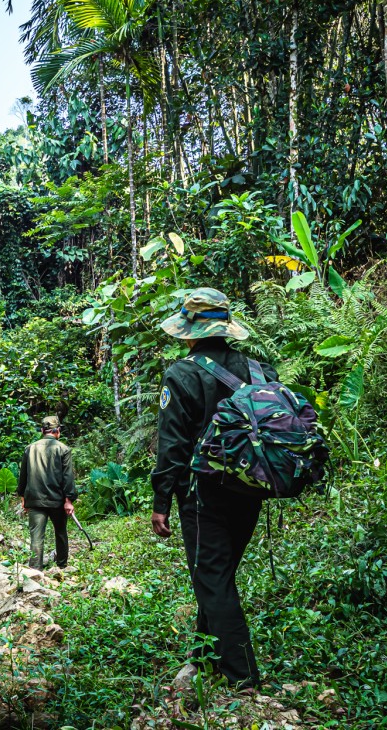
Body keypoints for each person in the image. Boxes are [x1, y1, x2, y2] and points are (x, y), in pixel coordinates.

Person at [150, 288, 278, 691]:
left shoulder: (182, 374)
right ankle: (203, 657)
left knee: (213, 578)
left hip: (203, 495)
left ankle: (243, 679)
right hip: (251, 489)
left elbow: (172, 445)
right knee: (217, 575)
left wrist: (161, 501)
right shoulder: (260, 370)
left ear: (189, 332)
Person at [16, 415, 76, 571]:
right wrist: (68, 500)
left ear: (43, 430)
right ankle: (62, 566)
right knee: (60, 533)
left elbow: (23, 476)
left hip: (35, 500)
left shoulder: (30, 448)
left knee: (36, 537)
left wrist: (23, 497)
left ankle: (35, 570)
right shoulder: (63, 449)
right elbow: (68, 477)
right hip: (57, 500)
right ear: (58, 431)